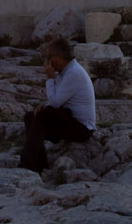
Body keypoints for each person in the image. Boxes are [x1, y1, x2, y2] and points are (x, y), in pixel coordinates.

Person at [19, 36, 95, 173]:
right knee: (30, 117)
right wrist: (44, 105)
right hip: (70, 119)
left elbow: (54, 103)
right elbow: (56, 100)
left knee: (45, 114)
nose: (47, 61)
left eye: (49, 56)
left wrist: (49, 78)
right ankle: (39, 165)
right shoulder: (64, 73)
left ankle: (27, 164)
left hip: (82, 129)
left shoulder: (73, 73)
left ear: (58, 56)